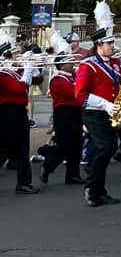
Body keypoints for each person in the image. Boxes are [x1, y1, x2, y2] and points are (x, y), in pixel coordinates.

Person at [75, 12, 121, 207]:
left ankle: (99, 190)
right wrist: (105, 104)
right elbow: (80, 94)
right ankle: (91, 186)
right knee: (107, 147)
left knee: (107, 148)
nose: (113, 45)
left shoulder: (116, 63)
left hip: (111, 112)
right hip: (94, 113)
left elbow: (118, 85)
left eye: (113, 42)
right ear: (99, 45)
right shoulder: (88, 65)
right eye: (109, 43)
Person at [0, 36, 40, 194]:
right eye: (15, 54)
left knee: (23, 148)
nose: (19, 56)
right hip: (6, 112)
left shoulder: (16, 72)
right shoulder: (2, 74)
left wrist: (34, 67)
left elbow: (38, 80)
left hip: (19, 111)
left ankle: (24, 183)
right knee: (4, 148)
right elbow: (17, 88)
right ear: (6, 57)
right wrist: (28, 69)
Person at [41, 49, 84, 185]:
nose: (72, 63)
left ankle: (73, 174)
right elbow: (72, 92)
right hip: (64, 113)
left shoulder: (73, 77)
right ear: (61, 65)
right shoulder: (58, 79)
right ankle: (48, 164)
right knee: (65, 143)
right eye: (68, 61)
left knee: (77, 143)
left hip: (76, 111)